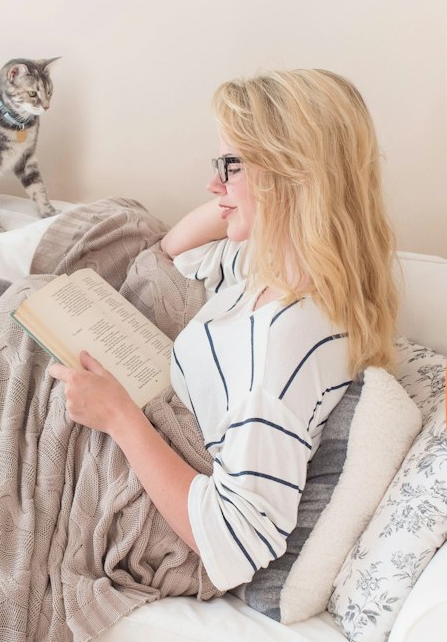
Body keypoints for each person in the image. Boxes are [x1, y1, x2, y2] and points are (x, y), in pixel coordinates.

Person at [49, 69, 399, 591]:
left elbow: (235, 541)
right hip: (153, 419)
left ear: (290, 174)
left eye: (230, 166)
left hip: (164, 520)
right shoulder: (277, 270)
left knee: (20, 341)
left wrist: (119, 416)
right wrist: (244, 197)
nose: (213, 185)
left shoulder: (284, 342)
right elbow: (173, 256)